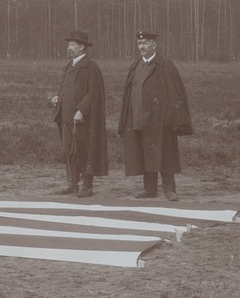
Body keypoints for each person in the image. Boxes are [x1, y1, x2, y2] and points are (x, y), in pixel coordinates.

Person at [117, 30, 194, 201]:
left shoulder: (165, 65)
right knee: (145, 152)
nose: (141, 47)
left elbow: (176, 93)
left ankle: (169, 189)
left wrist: (173, 119)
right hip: (139, 118)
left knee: (165, 153)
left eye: (145, 43)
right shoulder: (135, 66)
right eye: (139, 43)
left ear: (154, 45)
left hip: (160, 121)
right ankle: (149, 189)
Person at [50, 29, 107, 197]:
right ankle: (72, 184)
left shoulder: (90, 67)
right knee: (70, 150)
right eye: (69, 44)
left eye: (72, 44)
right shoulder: (69, 66)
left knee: (84, 150)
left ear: (82, 47)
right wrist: (57, 98)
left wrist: (82, 110)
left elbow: (94, 93)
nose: (69, 47)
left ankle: (87, 186)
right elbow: (67, 90)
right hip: (67, 117)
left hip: (82, 120)